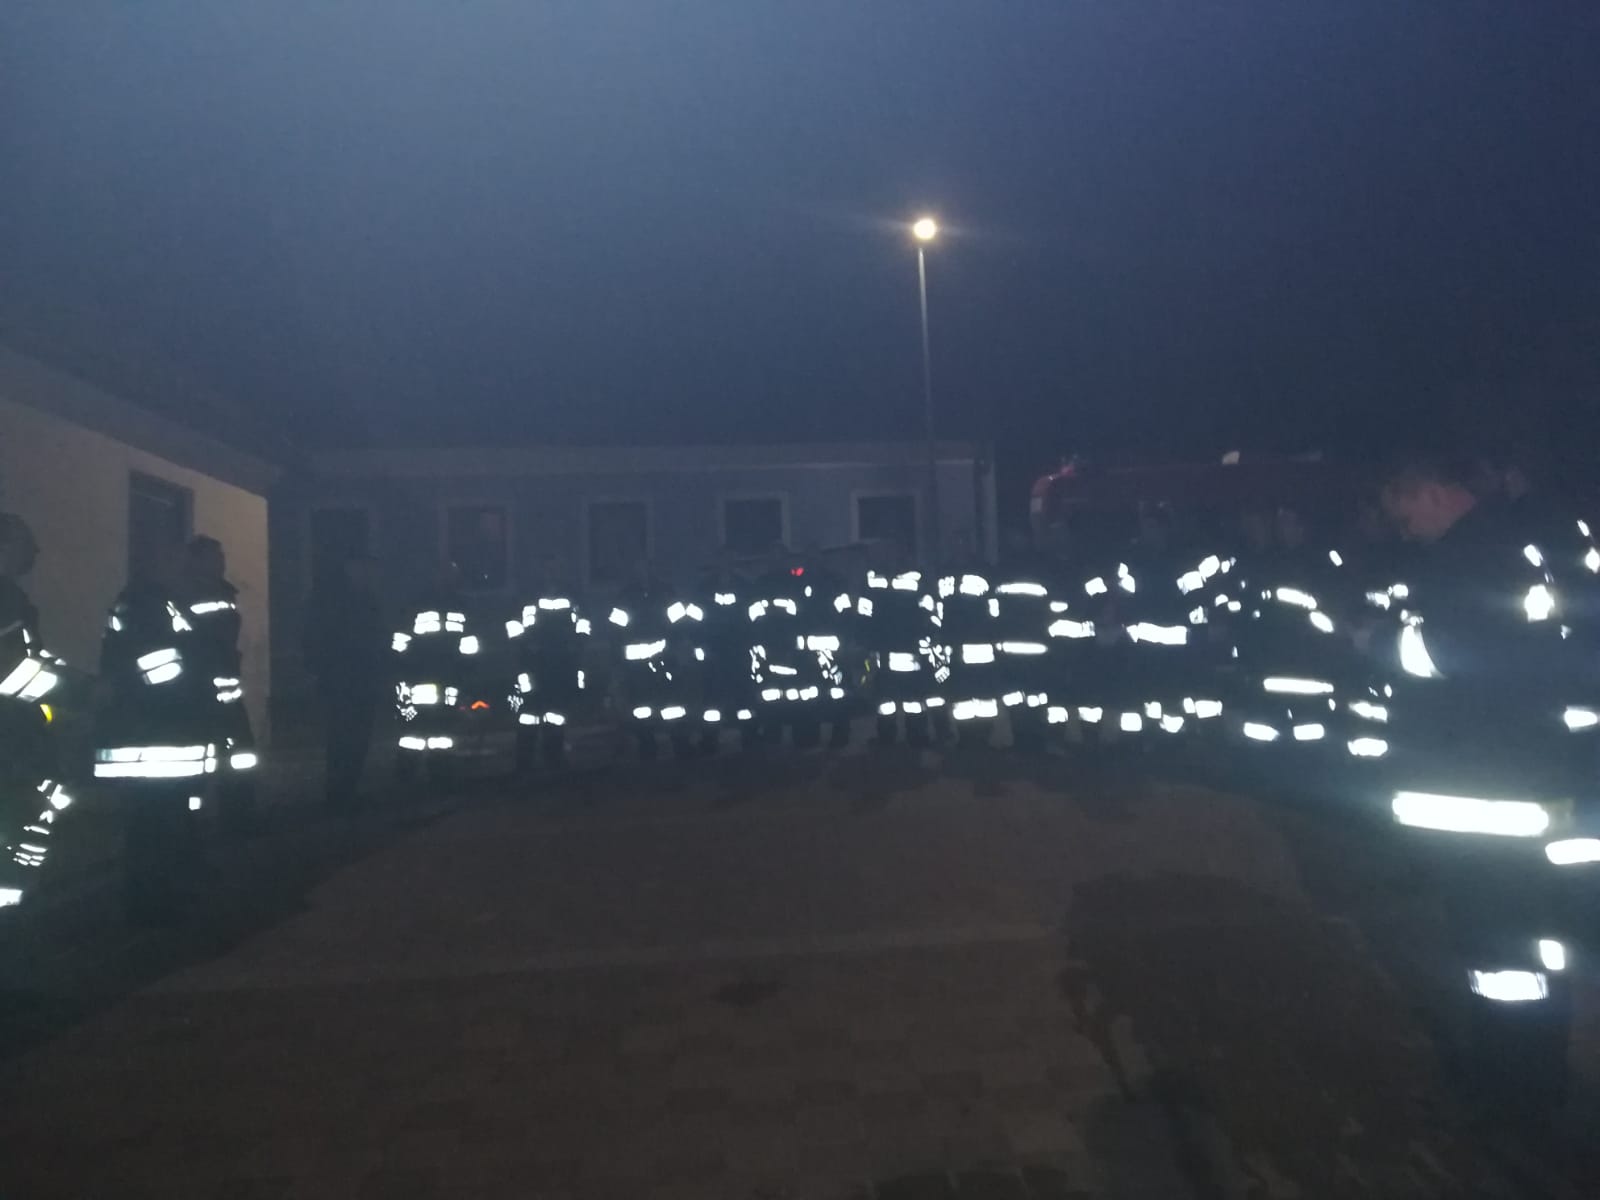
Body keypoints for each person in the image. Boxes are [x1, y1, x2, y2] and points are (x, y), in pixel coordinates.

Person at [95, 541, 217, 920]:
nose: (184, 568)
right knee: (153, 823)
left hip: (162, 734)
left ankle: (162, 893)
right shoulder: (143, 604)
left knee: (163, 820)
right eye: (177, 560)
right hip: (152, 736)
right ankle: (151, 903)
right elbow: (154, 666)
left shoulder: (160, 602)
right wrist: (194, 686)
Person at [0, 514, 69, 908]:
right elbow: (13, 672)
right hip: (10, 740)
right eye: (26, 542)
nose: (36, 551)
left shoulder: (13, 600)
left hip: (15, 736)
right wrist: (77, 691)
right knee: (18, 823)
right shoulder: (5, 601)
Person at [176, 536, 258, 832]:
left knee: (240, 756)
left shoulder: (224, 592)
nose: (221, 562)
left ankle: (239, 814)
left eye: (221, 556)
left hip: (227, 691)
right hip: (200, 692)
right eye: (214, 556)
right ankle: (190, 821)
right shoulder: (185, 593)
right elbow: (193, 643)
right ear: (196, 561)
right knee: (200, 758)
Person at [303, 553, 386, 809]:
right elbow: (316, 638)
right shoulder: (334, 601)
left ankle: (347, 789)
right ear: (351, 569)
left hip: (362, 678)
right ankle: (338, 792)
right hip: (342, 679)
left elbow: (377, 639)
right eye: (365, 569)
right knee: (343, 736)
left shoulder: (368, 600)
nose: (370, 575)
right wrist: (320, 670)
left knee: (358, 736)